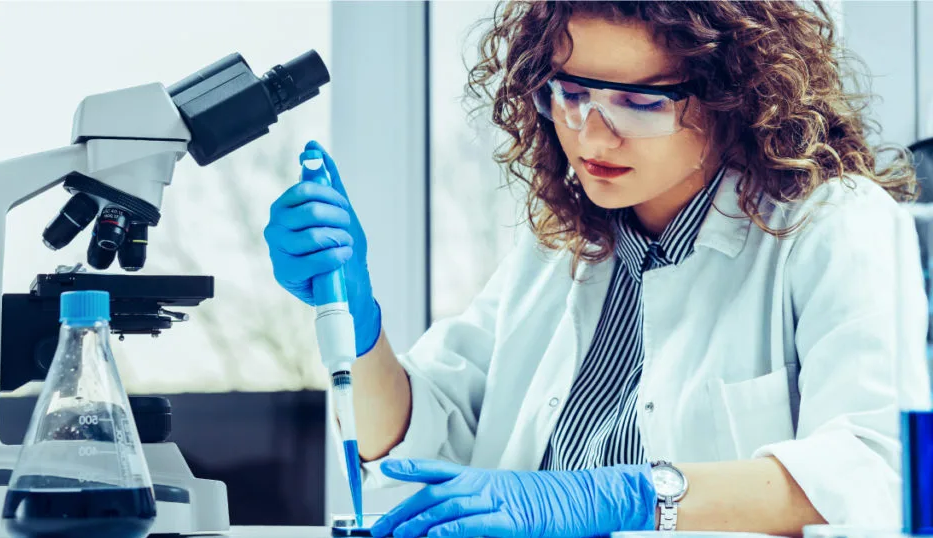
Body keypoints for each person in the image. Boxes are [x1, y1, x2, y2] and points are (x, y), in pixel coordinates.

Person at [265, 1, 932, 537]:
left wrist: (627, 495)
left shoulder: (833, 224)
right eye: (573, 92)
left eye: (641, 102)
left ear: (737, 96)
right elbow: (416, 439)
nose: (591, 134)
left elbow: (877, 471)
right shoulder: (562, 246)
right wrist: (358, 321)